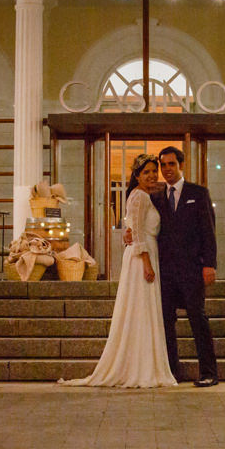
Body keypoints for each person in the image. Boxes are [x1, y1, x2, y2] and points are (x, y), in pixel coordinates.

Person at [62, 154, 176, 388]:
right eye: (146, 172)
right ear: (136, 176)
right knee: (141, 309)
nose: (152, 175)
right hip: (142, 258)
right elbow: (137, 234)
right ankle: (140, 367)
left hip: (144, 253)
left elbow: (132, 228)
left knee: (143, 311)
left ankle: (144, 363)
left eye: (155, 170)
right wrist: (146, 263)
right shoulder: (140, 197)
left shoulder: (147, 195)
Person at [152, 146, 219, 386]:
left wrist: (209, 265)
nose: (167, 169)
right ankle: (173, 371)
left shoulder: (198, 193)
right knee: (166, 323)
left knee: (197, 319)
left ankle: (209, 372)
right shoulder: (156, 197)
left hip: (193, 270)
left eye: (171, 164)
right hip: (166, 273)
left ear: (181, 165)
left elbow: (208, 232)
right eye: (163, 165)